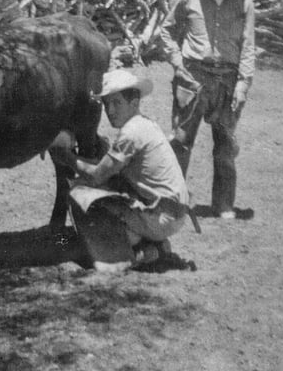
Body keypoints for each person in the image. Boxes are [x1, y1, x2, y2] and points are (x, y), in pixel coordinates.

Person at [54, 69, 190, 271]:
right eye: (107, 104)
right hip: (173, 212)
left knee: (79, 193)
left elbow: (95, 176)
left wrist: (66, 157)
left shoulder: (131, 132)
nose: (111, 110)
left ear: (134, 104)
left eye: (117, 103)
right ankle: (152, 245)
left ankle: (128, 256)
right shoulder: (144, 124)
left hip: (161, 217)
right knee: (110, 190)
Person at [159, 0, 256, 219]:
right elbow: (166, 31)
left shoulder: (244, 3)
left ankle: (223, 204)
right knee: (180, 141)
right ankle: (172, 200)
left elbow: (248, 46)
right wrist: (177, 63)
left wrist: (243, 83)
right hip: (193, 77)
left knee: (225, 146)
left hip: (228, 79)